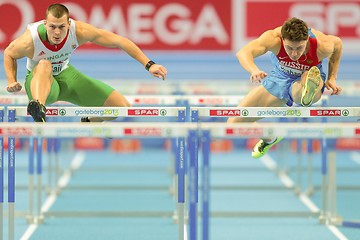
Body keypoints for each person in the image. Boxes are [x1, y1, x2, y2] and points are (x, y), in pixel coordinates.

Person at [4, 3, 167, 122]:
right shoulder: (30, 40)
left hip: (65, 75)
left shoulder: (79, 31)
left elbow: (120, 41)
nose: (57, 32)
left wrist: (149, 64)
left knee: (121, 107)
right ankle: (38, 108)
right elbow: (9, 54)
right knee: (44, 64)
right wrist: (12, 80)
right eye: (52, 26)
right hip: (39, 84)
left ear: (69, 24)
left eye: (61, 27)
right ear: (45, 23)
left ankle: (89, 121)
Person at [228, 17, 342, 158]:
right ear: (283, 40)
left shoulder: (322, 45)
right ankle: (269, 136)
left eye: (299, 48)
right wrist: (253, 70)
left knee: (306, 82)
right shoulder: (273, 39)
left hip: (307, 78)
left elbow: (338, 44)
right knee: (233, 123)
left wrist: (332, 77)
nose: (294, 54)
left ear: (306, 40)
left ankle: (307, 93)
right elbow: (243, 53)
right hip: (279, 77)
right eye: (289, 48)